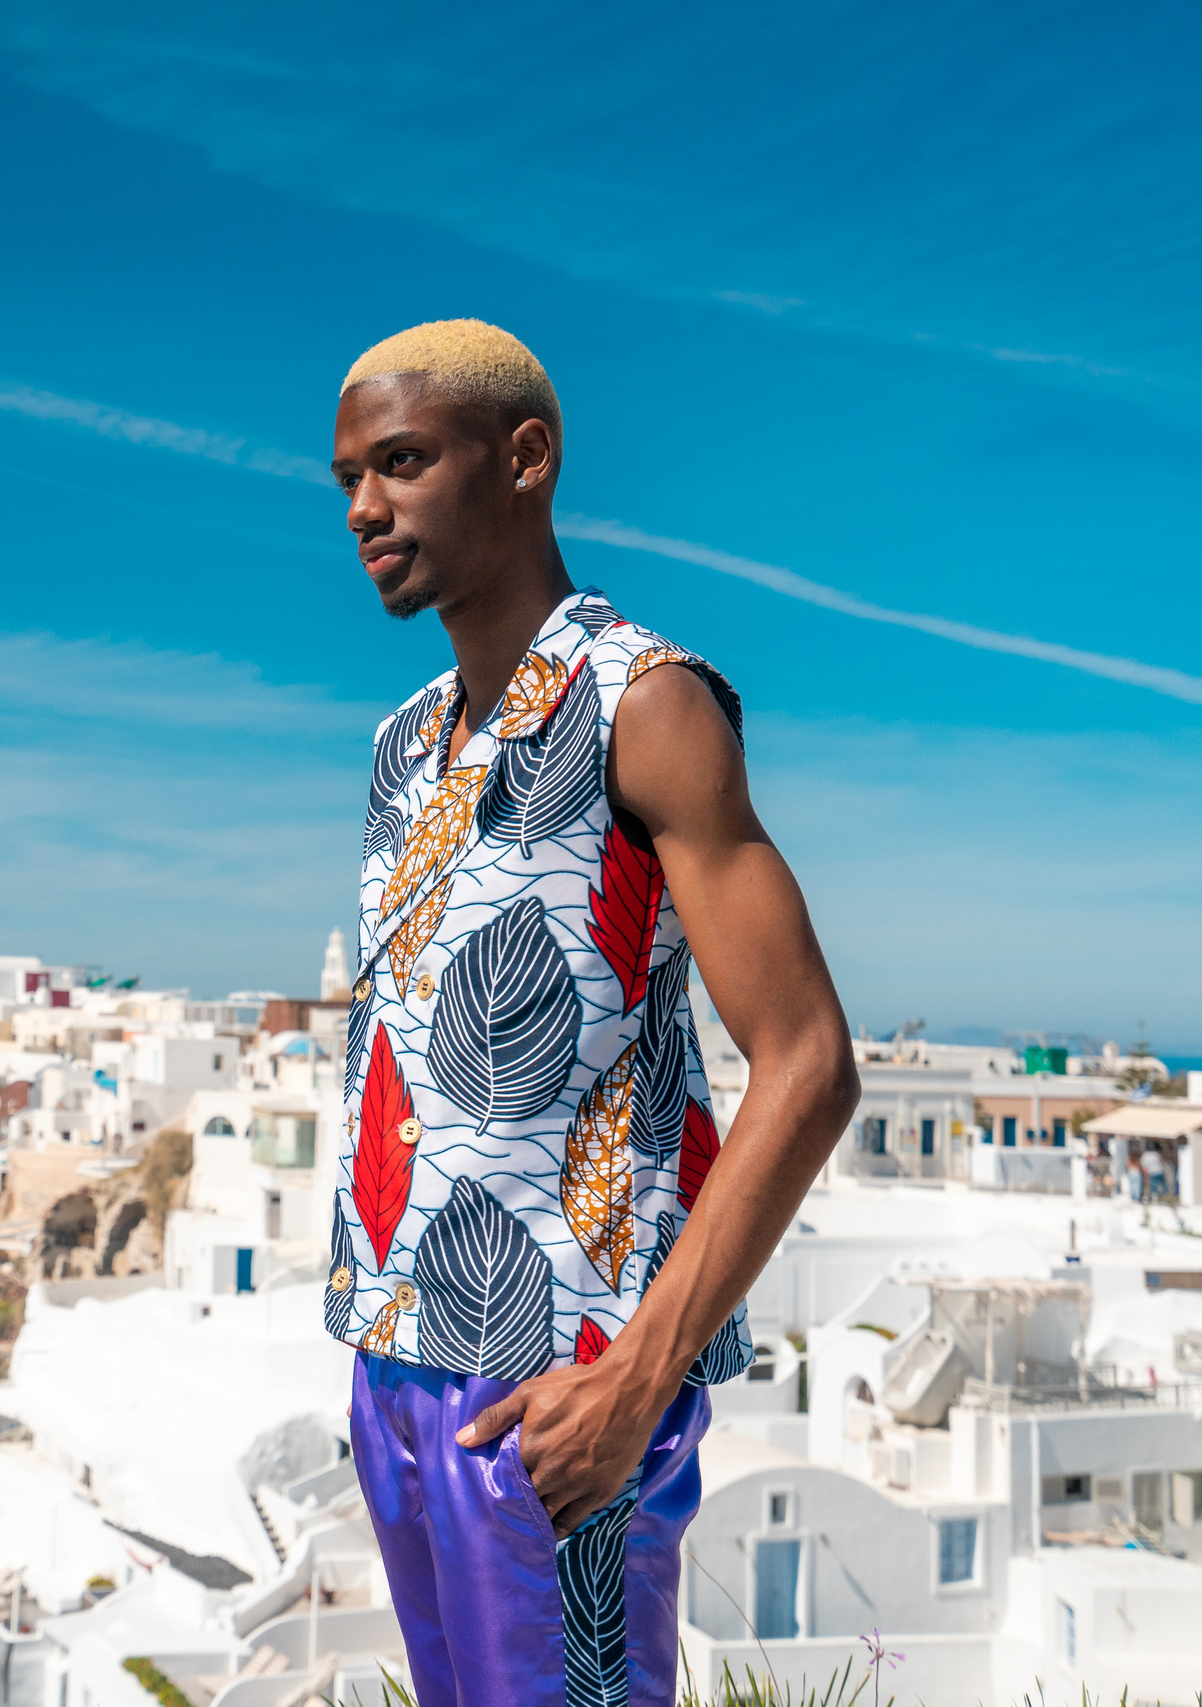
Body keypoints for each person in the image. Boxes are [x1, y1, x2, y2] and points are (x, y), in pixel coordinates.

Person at [327, 320, 860, 1707]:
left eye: (400, 463)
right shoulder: (399, 745)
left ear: (525, 461)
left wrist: (635, 1385)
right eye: (348, 480)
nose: (365, 509)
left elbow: (808, 1061)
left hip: (563, 1382)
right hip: (397, 1367)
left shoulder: (649, 701)